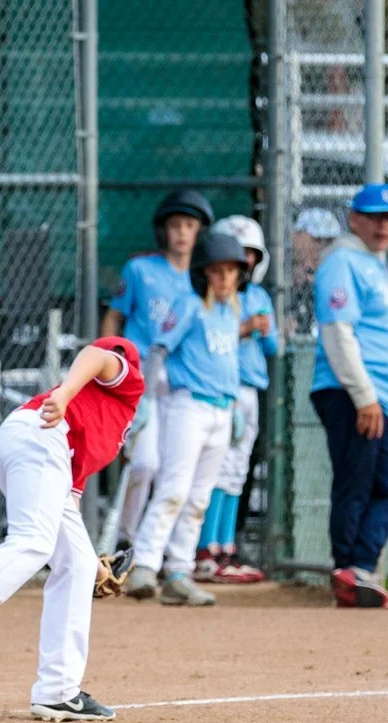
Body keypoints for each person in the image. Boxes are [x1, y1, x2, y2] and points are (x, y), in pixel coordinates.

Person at [0, 336, 143, 721]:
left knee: (77, 565)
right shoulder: (126, 385)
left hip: (33, 445)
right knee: (33, 541)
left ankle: (58, 691)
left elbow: (67, 505)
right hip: (41, 436)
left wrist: (98, 571)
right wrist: (67, 393)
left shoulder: (105, 425)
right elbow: (97, 355)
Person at [311, 184, 388, 609]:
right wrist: (365, 397)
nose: (384, 226)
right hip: (350, 392)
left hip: (381, 395)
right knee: (356, 483)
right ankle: (350, 569)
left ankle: (358, 568)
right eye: (375, 217)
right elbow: (339, 333)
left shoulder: (376, 265)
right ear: (353, 218)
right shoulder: (342, 261)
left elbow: (387, 338)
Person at [124, 232, 248, 607]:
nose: (225, 279)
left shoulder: (230, 312)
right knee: (174, 487)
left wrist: (237, 405)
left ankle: (180, 570)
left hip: (221, 410)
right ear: (202, 274)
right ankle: (145, 565)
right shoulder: (190, 305)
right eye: (216, 272)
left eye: (231, 271)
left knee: (199, 497)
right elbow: (159, 349)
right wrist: (144, 399)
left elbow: (228, 364)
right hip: (187, 405)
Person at [102, 188, 215, 549]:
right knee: (143, 464)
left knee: (175, 473)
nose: (181, 233)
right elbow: (114, 316)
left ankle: (162, 549)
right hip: (139, 379)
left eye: (189, 225)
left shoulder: (204, 279)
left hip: (184, 385)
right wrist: (109, 361)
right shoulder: (141, 269)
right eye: (174, 225)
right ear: (162, 231)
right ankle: (126, 540)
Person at [194, 217, 276, 585]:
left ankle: (225, 546)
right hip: (221, 389)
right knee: (216, 468)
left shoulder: (258, 297)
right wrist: (244, 328)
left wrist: (266, 328)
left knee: (236, 471)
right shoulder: (216, 301)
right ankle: (205, 548)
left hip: (250, 391)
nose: (243, 262)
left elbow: (273, 347)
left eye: (249, 256)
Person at [291, 208, 343, 334]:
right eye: (317, 240)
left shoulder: (336, 271)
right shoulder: (282, 268)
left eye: (329, 241)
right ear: (297, 235)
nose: (322, 247)